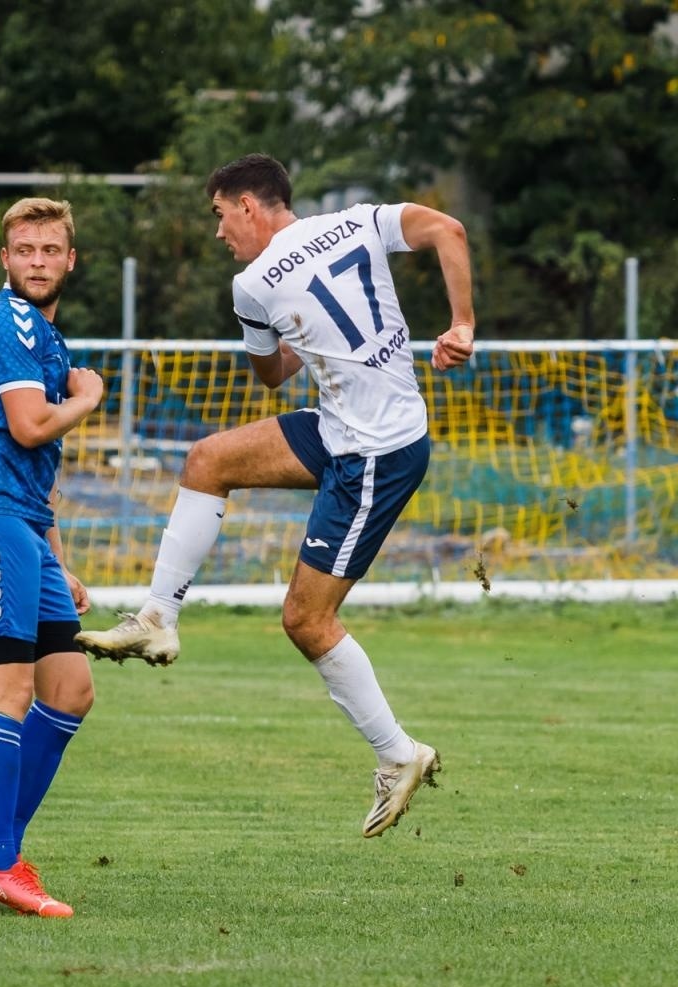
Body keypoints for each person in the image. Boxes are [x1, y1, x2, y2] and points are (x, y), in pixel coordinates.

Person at [76, 153, 474, 837]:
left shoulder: (252, 284)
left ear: (248, 205)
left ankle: (398, 753)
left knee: (306, 621)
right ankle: (157, 618)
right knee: (207, 460)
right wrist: (461, 323)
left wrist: (289, 334)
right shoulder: (359, 222)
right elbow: (450, 230)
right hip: (345, 427)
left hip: (375, 452)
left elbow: (270, 374)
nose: (219, 232)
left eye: (220, 214)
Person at [0, 197, 107, 918]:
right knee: (8, 693)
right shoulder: (7, 319)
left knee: (69, 690)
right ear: (6, 260)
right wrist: (88, 398)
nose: (37, 261)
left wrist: (57, 560)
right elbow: (31, 428)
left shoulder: (46, 335)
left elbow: (38, 470)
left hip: (23, 526)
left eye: (49, 249)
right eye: (24, 250)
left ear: (71, 260)